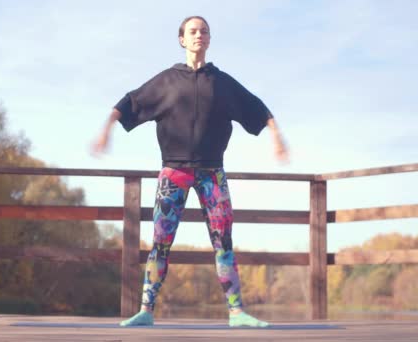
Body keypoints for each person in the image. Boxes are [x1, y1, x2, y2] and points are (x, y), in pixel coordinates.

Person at [91, 16, 289, 328]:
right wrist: (106, 131)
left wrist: (278, 137)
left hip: (213, 174)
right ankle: (145, 310)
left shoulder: (221, 82)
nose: (199, 35)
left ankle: (237, 312)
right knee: (161, 242)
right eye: (193, 31)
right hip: (174, 174)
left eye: (204, 31)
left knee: (223, 241)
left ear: (209, 40)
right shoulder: (167, 80)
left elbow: (257, 108)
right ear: (182, 39)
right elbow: (129, 103)